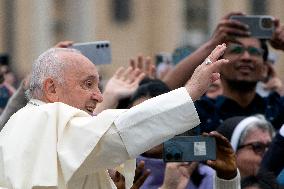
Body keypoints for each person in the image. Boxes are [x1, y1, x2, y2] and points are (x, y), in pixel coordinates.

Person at [0, 44, 231, 189]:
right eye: (88, 84)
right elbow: (119, 132)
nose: (99, 96)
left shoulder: (17, 124)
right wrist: (190, 91)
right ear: (51, 88)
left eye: (98, 85)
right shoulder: (50, 117)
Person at [163, 12, 284, 132]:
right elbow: (159, 99)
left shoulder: (277, 109)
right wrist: (211, 45)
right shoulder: (202, 113)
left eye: (254, 51)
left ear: (264, 68)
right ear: (219, 64)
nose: (246, 57)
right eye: (236, 50)